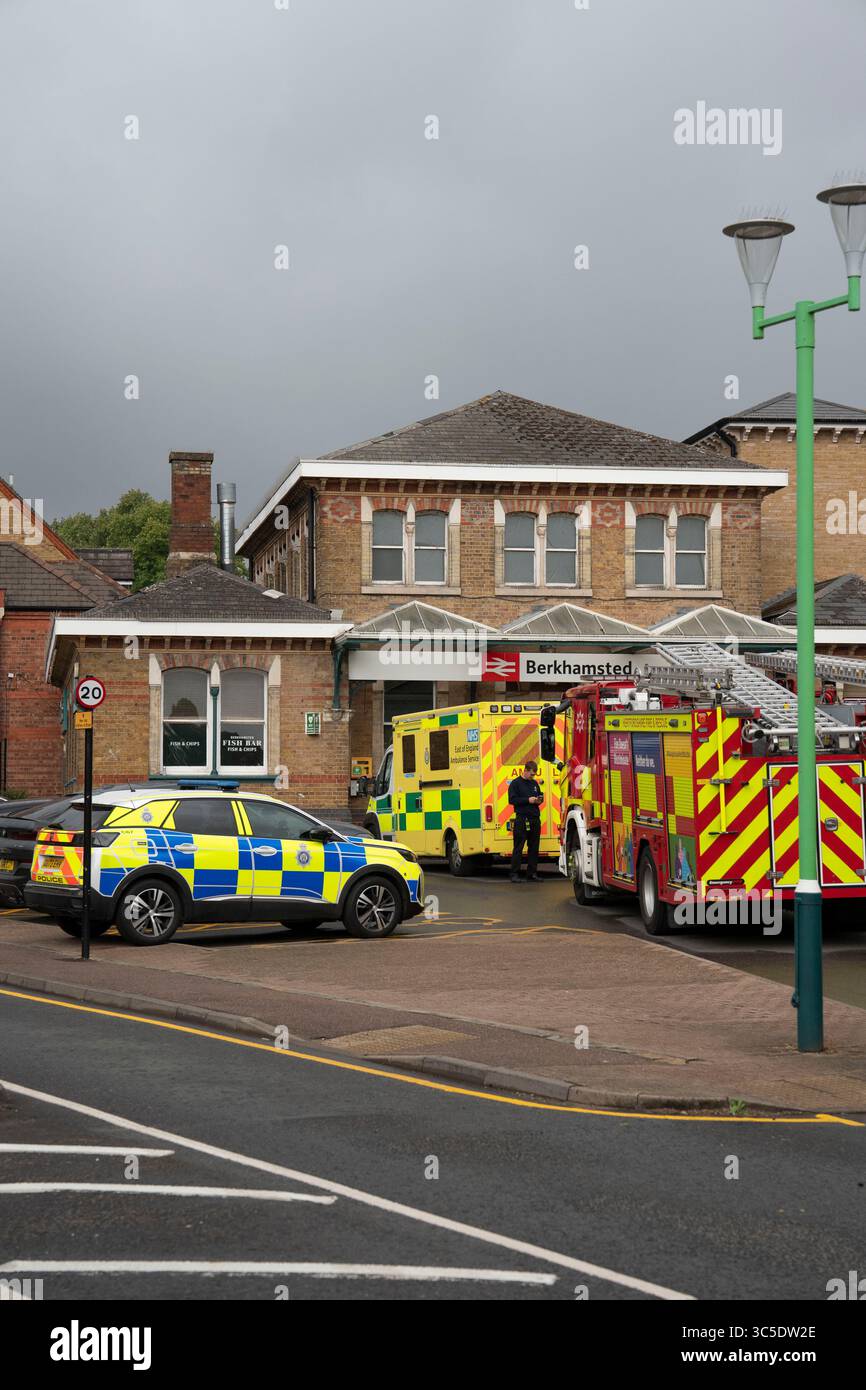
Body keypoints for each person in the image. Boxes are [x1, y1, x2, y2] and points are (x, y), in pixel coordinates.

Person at [508, 759, 544, 882]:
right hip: (522, 819)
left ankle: (532, 873)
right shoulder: (515, 784)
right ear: (525, 770)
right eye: (532, 774)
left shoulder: (534, 784)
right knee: (518, 847)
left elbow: (539, 795)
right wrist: (528, 800)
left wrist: (539, 799)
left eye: (534, 774)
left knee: (534, 847)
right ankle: (514, 873)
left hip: (534, 818)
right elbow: (512, 800)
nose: (533, 776)